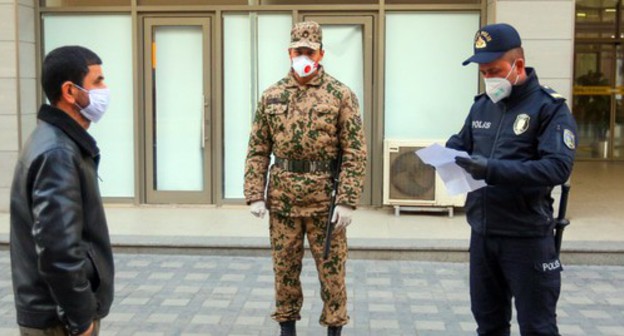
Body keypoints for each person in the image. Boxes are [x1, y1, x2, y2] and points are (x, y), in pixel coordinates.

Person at [447, 23, 577, 336]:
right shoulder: (482, 105)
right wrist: (449, 150)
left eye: (495, 70)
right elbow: (464, 143)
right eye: (483, 72)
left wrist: (491, 169)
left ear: (518, 65)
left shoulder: (550, 108)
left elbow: (557, 168)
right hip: (483, 232)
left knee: (537, 327)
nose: (489, 77)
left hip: (526, 237)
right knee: (488, 325)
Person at [244, 21, 367, 336]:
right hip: (283, 202)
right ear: (289, 52)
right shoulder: (271, 96)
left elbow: (355, 151)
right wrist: (255, 193)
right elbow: (258, 149)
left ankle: (334, 330)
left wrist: (348, 201)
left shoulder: (340, 95)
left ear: (321, 53)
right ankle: (287, 329)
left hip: (324, 204)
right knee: (284, 271)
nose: (303, 56)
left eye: (309, 51)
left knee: (332, 275)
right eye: (297, 50)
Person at [10, 46, 115, 336]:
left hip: (57, 315)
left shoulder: (57, 142)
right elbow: (58, 249)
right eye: (97, 82)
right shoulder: (58, 152)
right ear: (70, 92)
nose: (105, 90)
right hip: (59, 321)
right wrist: (82, 319)